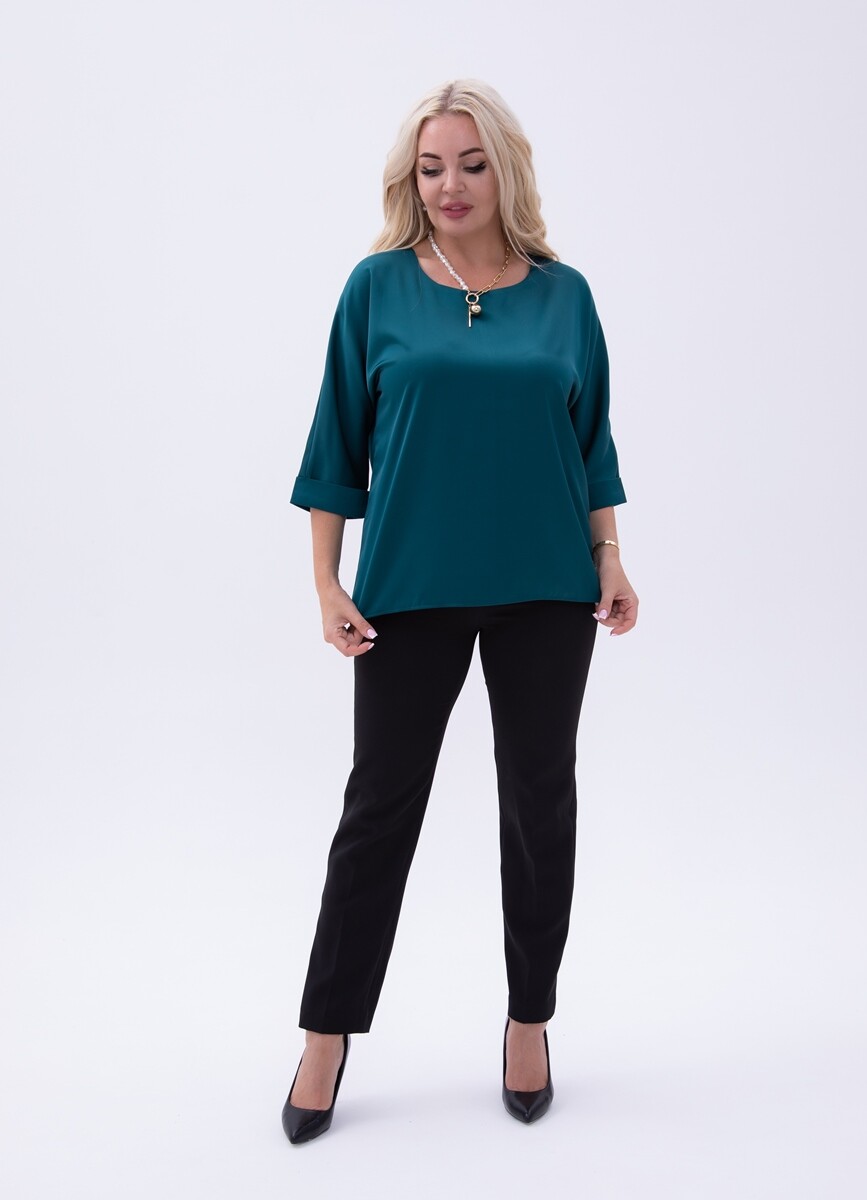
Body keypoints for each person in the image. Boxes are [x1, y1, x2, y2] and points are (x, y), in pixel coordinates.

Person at [281, 78, 639, 1144]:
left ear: (506, 171)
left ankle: (530, 1020)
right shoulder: (377, 288)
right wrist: (327, 582)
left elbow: (592, 444)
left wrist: (611, 557)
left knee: (540, 805)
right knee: (378, 812)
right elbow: (337, 443)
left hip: (548, 589)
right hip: (408, 590)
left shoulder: (565, 296)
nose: (451, 184)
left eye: (472, 164)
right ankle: (325, 1035)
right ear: (411, 176)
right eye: (431, 166)